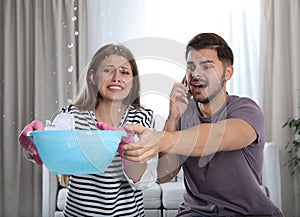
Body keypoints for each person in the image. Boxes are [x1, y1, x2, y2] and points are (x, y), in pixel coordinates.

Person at [121, 33, 284, 216]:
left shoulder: (246, 110)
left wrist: (160, 138)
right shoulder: (183, 115)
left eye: (206, 67)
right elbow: (165, 175)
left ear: (227, 73)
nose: (196, 74)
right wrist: (173, 119)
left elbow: (215, 137)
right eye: (191, 67)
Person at [19, 44, 157, 217]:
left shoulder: (141, 119)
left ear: (133, 81)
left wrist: (129, 152)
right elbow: (51, 138)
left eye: (124, 72)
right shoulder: (72, 116)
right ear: (93, 77)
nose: (116, 77)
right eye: (108, 70)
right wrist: (35, 142)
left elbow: (142, 181)